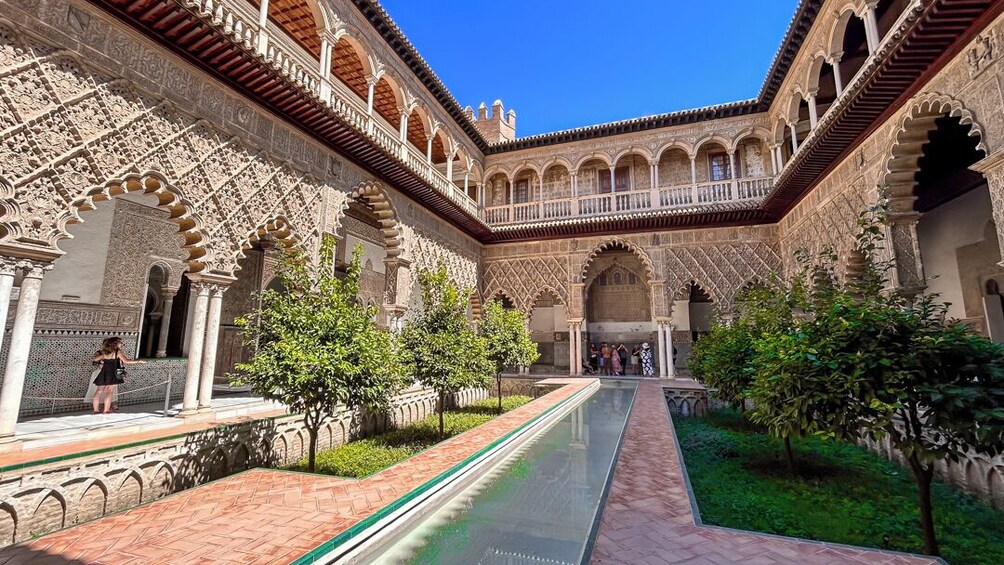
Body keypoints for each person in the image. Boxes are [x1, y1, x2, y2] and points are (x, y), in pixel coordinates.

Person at [91, 337, 145, 414]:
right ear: (115, 344)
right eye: (120, 343)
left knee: (99, 391)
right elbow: (126, 361)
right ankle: (106, 410)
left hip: (104, 373)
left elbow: (95, 359)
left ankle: (96, 410)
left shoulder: (105, 352)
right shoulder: (118, 352)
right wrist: (139, 361)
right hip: (113, 374)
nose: (121, 344)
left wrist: (103, 358)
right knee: (109, 392)